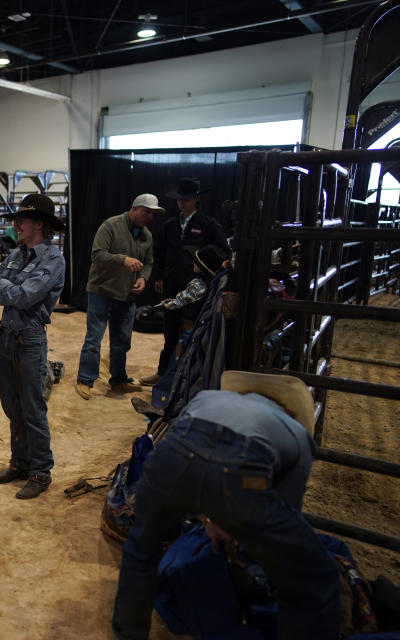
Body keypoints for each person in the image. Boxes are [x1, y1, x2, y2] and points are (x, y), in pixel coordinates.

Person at [112, 371, 340, 640]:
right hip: (243, 472)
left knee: (142, 547)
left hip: (168, 458)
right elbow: (286, 508)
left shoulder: (209, 398)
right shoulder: (297, 436)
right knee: (308, 571)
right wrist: (232, 518)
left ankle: (128, 633)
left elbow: (194, 455)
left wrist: (210, 518)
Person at [0, 194, 66, 499]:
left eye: (22, 219)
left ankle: (41, 470)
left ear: (40, 224)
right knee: (11, 405)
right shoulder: (16, 254)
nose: (16, 224)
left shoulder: (53, 258)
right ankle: (19, 461)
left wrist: (10, 287)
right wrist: (13, 288)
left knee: (32, 408)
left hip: (30, 338)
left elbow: (25, 296)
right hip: (6, 336)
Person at [75, 194, 162, 400]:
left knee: (122, 341)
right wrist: (123, 260)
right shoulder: (110, 225)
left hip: (126, 295)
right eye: (147, 211)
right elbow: (97, 255)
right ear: (134, 208)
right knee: (94, 338)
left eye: (153, 213)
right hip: (101, 291)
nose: (150, 216)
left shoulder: (147, 236)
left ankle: (119, 380)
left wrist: (143, 278)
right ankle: (85, 380)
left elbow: (148, 262)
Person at [144, 179, 229, 386]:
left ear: (196, 199)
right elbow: (159, 251)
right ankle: (163, 372)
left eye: (186, 199)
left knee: (192, 333)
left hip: (196, 288)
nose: (182, 203)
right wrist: (159, 276)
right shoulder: (170, 225)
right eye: (180, 199)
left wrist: (202, 262)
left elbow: (223, 251)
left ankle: (189, 377)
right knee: (170, 332)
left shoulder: (208, 225)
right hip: (172, 283)